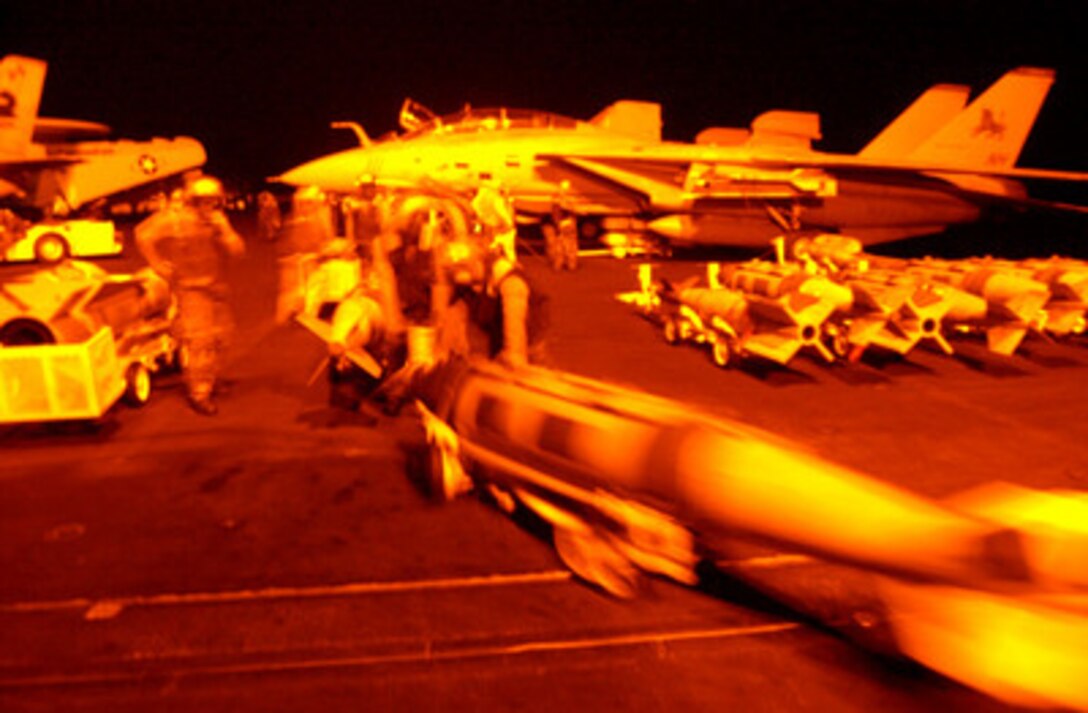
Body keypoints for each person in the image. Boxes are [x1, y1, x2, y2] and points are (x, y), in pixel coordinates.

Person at [135, 175, 245, 415]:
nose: (211, 207)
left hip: (215, 286)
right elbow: (143, 234)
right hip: (191, 288)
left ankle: (211, 378)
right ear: (193, 201)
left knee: (221, 339)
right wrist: (156, 263)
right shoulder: (175, 220)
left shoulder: (216, 221)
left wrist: (224, 231)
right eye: (205, 202)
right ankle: (200, 392)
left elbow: (238, 250)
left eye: (214, 202)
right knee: (201, 341)